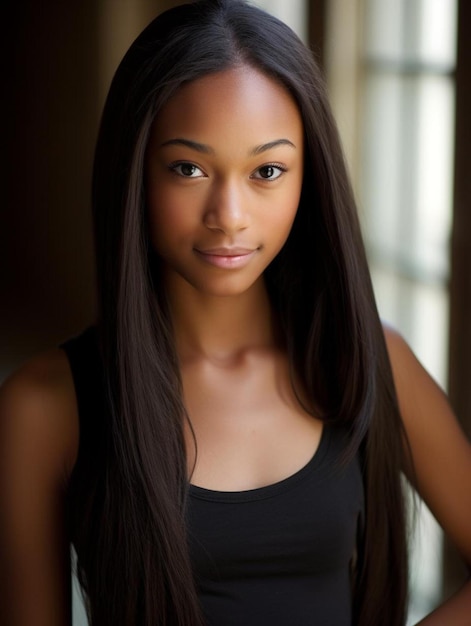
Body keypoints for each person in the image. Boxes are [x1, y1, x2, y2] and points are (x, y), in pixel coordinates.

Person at [1, 0, 470, 624]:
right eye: (188, 168)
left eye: (267, 170)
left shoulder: (370, 364)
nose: (229, 214)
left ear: (310, 179)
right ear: (135, 170)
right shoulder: (43, 409)